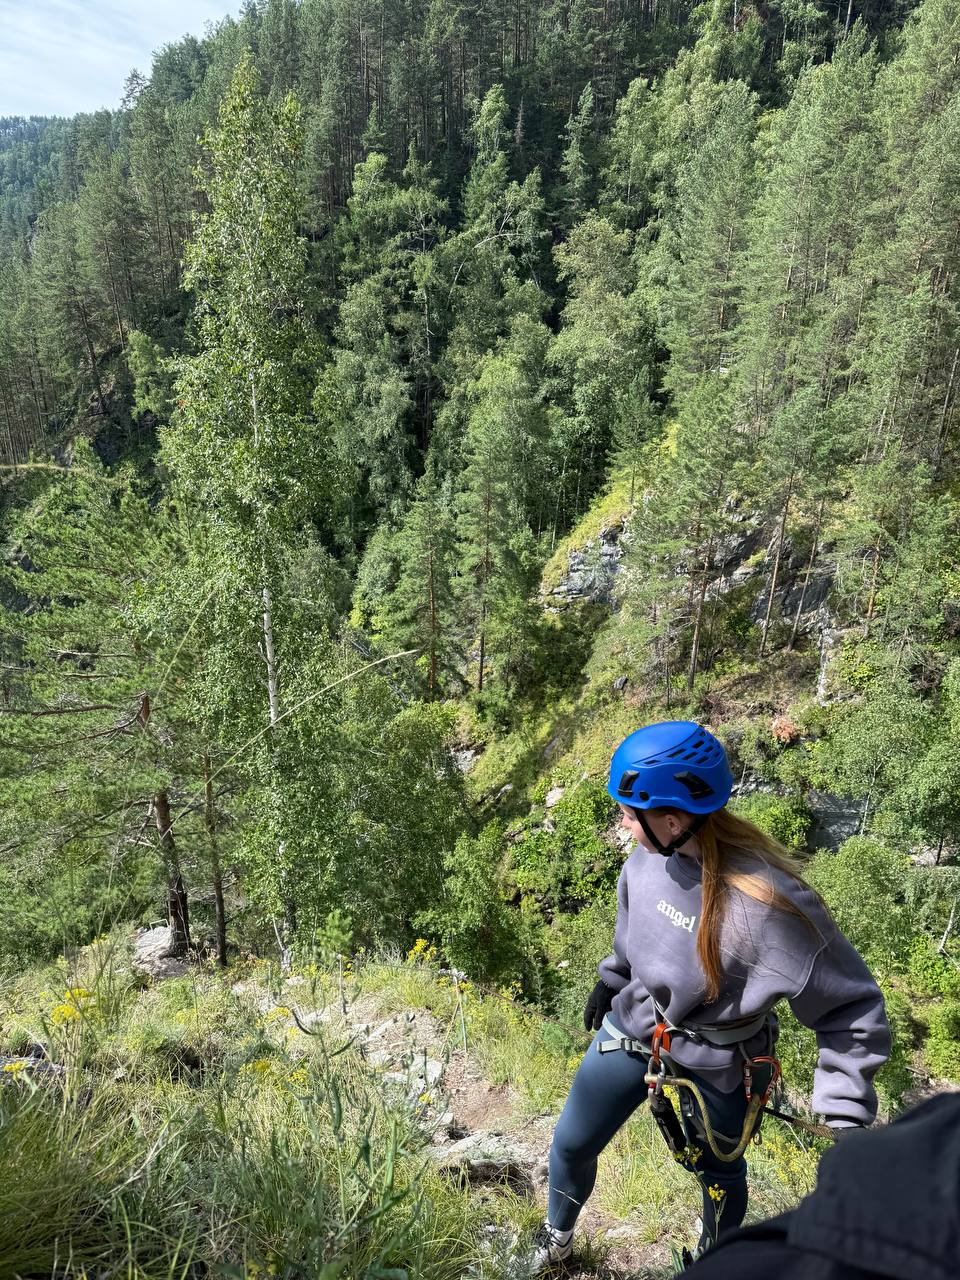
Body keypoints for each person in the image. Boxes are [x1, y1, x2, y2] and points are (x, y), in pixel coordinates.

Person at [526, 719, 891, 1274]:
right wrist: (611, 976)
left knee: (719, 1180)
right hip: (640, 1023)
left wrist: (845, 1117)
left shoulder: (769, 904)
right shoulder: (648, 856)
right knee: (572, 1141)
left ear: (672, 819)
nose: (622, 824)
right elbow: (634, 930)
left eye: (629, 812)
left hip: (724, 1057)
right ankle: (557, 1237)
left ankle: (709, 1265)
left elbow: (851, 1007)